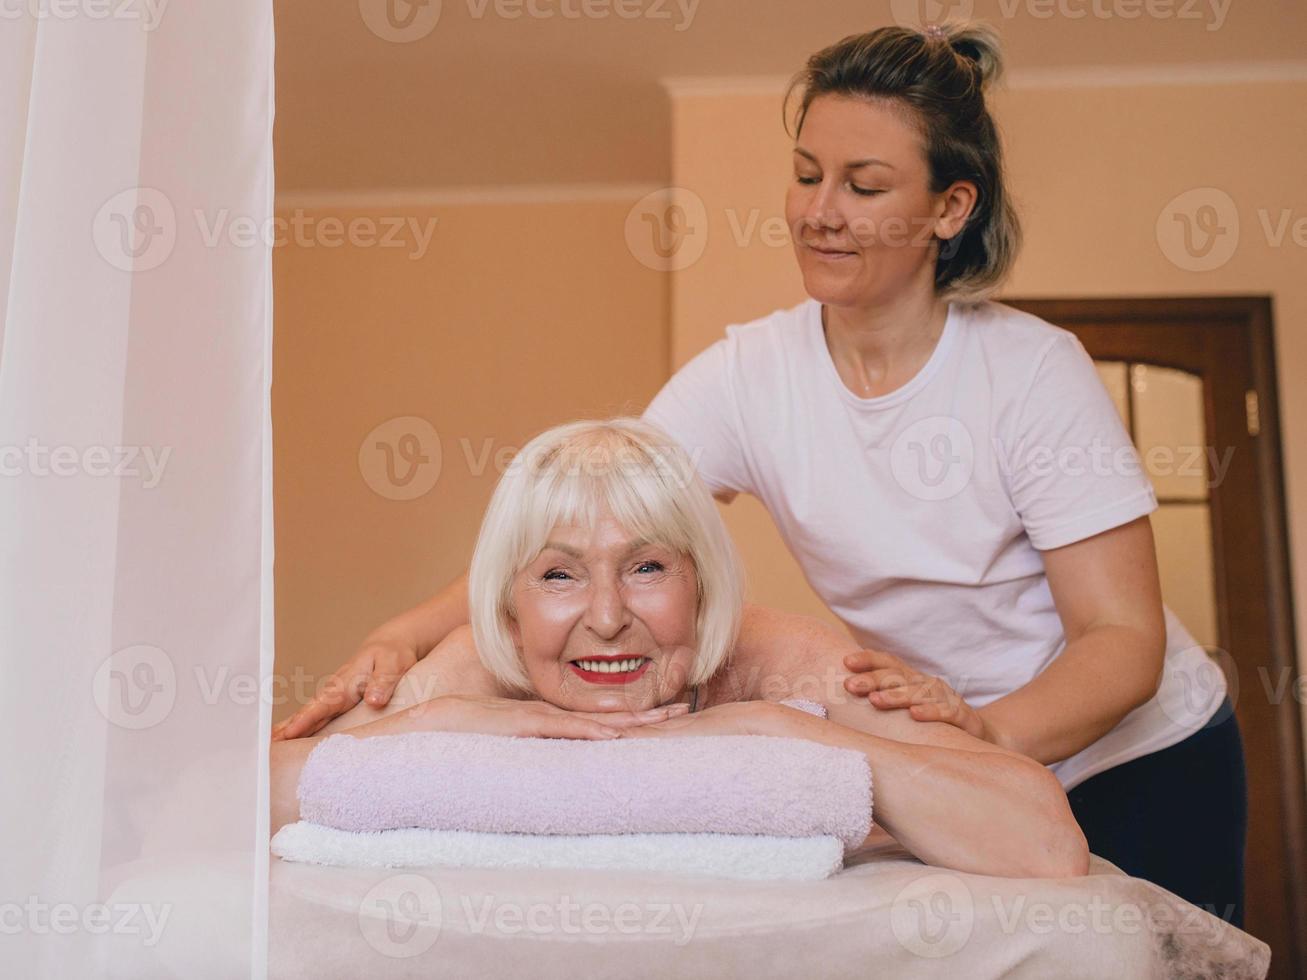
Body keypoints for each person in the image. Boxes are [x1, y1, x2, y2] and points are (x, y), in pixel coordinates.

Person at [274, 21, 1246, 922]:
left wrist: (978, 739)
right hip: (945, 742)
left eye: (862, 186)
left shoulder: (1028, 373)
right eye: (805, 174)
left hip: (1139, 752)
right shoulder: (750, 375)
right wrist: (400, 639)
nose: (819, 213)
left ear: (949, 207)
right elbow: (593, 521)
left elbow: (1120, 642)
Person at [271, 418, 1089, 880]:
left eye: (647, 567)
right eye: (559, 575)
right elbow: (227, 803)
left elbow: (1044, 843)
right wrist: (432, 722)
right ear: (509, 609)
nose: (605, 616)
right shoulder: (473, 670)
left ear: (701, 586)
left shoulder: (785, 660)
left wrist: (790, 731)